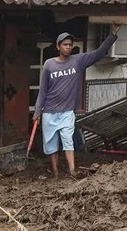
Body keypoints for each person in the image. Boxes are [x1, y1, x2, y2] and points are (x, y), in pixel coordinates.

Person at [34, 23, 121, 178]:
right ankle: (55, 172)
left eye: (70, 45)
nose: (68, 47)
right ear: (58, 46)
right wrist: (38, 111)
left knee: (68, 141)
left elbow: (99, 53)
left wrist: (112, 35)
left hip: (67, 112)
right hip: (49, 112)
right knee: (51, 144)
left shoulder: (78, 61)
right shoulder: (49, 65)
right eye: (65, 45)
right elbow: (43, 90)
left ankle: (72, 170)